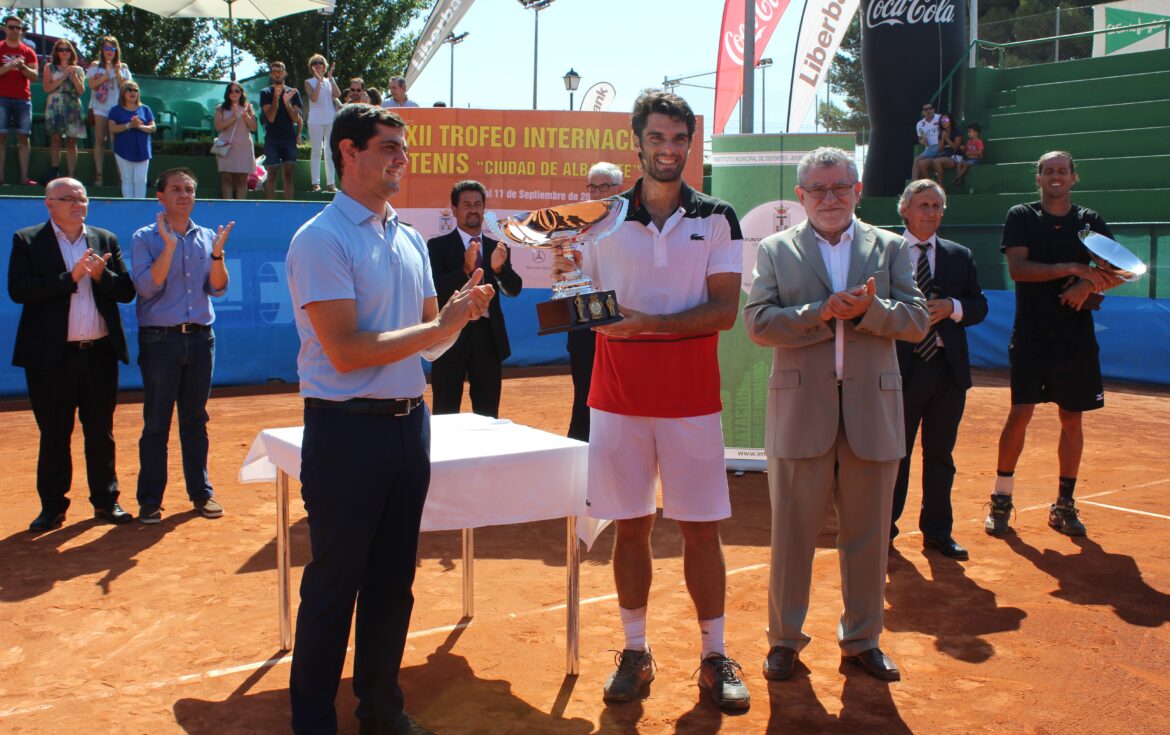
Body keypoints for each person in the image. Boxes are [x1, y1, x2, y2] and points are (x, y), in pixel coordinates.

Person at [285, 103, 494, 735]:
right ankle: (314, 724)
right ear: (346, 153)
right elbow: (346, 352)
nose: (402, 158)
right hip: (345, 432)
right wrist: (440, 324)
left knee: (392, 585)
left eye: (404, 148)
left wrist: (453, 318)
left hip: (409, 427)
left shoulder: (406, 237)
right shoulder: (320, 239)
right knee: (333, 588)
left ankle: (382, 712)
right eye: (387, 147)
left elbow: (428, 345)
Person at [553, 91, 751, 711]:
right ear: (636, 141)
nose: (669, 149)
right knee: (631, 528)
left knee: (700, 529)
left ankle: (714, 657)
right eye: (658, 137)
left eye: (680, 139)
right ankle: (635, 652)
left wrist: (645, 326)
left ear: (690, 145)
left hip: (692, 401)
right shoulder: (597, 215)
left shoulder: (719, 216)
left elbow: (723, 312)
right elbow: (569, 303)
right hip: (616, 399)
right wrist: (569, 278)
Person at [743, 146, 929, 684]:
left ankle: (863, 639)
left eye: (840, 187)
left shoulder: (891, 247)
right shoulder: (776, 250)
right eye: (818, 189)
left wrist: (870, 311)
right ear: (800, 196)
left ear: (857, 190)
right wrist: (820, 312)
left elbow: (917, 320)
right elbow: (757, 324)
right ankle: (784, 641)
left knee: (870, 537)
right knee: (791, 536)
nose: (830, 198)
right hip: (801, 411)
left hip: (874, 410)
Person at [985, 151, 1125, 538]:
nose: (1056, 176)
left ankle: (1064, 505)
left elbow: (1121, 270)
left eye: (1062, 171)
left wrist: (1087, 284)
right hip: (1031, 334)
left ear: (1073, 177)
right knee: (1021, 413)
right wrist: (1072, 268)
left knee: (1072, 418)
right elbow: (1018, 270)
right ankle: (1001, 499)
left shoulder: (1090, 220)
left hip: (1075, 338)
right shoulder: (1021, 216)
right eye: (1049, 171)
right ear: (1039, 178)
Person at [8, 178, 136, 532]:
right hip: (50, 359)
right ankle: (52, 507)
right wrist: (71, 276)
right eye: (68, 198)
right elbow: (19, 290)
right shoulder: (28, 240)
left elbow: (125, 291)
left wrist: (99, 276)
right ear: (49, 204)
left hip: (98, 355)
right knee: (54, 434)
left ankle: (106, 502)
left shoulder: (104, 238)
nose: (78, 203)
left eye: (82, 198)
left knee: (100, 432)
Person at [890, 179, 988, 561]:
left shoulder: (959, 255)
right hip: (898, 369)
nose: (931, 212)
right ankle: (885, 532)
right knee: (894, 455)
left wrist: (952, 307)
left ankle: (937, 533)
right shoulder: (885, 251)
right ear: (905, 210)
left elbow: (979, 305)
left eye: (937, 206)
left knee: (941, 455)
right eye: (923, 205)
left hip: (947, 371)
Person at [130, 168, 233, 525]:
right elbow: (146, 287)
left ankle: (201, 494)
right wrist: (170, 245)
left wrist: (217, 257)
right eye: (176, 188)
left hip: (201, 339)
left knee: (195, 420)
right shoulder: (144, 238)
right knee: (156, 423)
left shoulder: (207, 237)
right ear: (160, 196)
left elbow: (218, 289)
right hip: (160, 342)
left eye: (189, 188)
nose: (184, 194)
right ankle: (150, 500)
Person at [427, 180, 522, 418]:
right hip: (449, 336)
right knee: (445, 411)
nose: (473, 209)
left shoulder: (496, 247)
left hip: (488, 338)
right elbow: (434, 290)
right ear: (454, 209)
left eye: (478, 204)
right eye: (467, 204)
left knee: (488, 413)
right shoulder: (436, 246)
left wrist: (500, 270)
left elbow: (514, 289)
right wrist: (465, 269)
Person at [565, 161, 623, 442]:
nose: (597, 192)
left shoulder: (630, 224)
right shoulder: (574, 225)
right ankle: (580, 448)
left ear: (618, 190)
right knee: (585, 389)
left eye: (604, 187)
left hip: (621, 314)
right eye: (592, 187)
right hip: (583, 314)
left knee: (619, 388)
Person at [86, 35, 131, 188]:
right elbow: (91, 84)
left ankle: (121, 176)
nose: (109, 51)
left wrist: (117, 74)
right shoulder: (95, 65)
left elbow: (127, 87)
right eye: (106, 48)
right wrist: (105, 74)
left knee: (117, 141)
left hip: (117, 108)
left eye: (112, 48)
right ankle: (99, 175)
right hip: (100, 106)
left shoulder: (123, 67)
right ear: (102, 50)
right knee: (100, 139)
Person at [0, 15, 39, 186]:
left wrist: (22, 67)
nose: (15, 30)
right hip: (1, 98)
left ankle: (24, 177)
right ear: (5, 28)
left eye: (18, 28)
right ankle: (0, 177)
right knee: (1, 137)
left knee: (24, 137)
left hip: (23, 99)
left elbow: (35, 76)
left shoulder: (28, 52)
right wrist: (9, 66)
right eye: (12, 27)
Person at [42, 39, 85, 181]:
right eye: (61, 49)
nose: (64, 52)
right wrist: (63, 76)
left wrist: (74, 77)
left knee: (72, 140)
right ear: (56, 52)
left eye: (67, 49)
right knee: (55, 138)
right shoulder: (50, 67)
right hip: (55, 103)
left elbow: (81, 91)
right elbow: (47, 88)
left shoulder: (78, 69)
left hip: (72, 104)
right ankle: (55, 170)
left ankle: (71, 174)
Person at [260, 61, 302, 200]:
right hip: (272, 138)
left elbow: (296, 118)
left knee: (288, 174)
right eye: (274, 72)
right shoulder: (265, 93)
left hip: (289, 137)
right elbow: (270, 117)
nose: (277, 74)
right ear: (271, 75)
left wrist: (286, 101)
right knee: (271, 174)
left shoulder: (293, 93)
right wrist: (276, 99)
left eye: (280, 71)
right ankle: (269, 208)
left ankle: (288, 206)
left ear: (284, 73)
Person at [107, 82, 155, 199]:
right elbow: (112, 127)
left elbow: (153, 127)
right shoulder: (115, 110)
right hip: (123, 149)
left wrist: (140, 127)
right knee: (127, 180)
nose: (133, 92)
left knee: (140, 180)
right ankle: (128, 205)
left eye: (135, 90)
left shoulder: (145, 109)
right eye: (129, 90)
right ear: (123, 93)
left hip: (142, 149)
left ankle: (139, 205)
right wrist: (129, 125)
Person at [213, 81, 258, 200]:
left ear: (241, 93)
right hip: (226, 145)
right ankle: (228, 205)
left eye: (237, 91)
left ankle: (240, 206)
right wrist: (234, 117)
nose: (234, 93)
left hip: (244, 147)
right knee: (226, 177)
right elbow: (218, 126)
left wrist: (245, 115)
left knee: (242, 178)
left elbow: (253, 127)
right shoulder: (221, 108)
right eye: (231, 91)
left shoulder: (248, 107)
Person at [303, 54, 339, 193]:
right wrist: (318, 82)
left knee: (330, 151)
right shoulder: (309, 82)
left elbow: (337, 94)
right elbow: (314, 97)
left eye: (321, 63)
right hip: (315, 120)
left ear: (325, 67)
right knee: (317, 150)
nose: (318, 65)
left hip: (330, 118)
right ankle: (315, 183)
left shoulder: (329, 81)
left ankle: (331, 184)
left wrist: (331, 79)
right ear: (312, 67)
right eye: (315, 63)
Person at [928, 116, 963, 184]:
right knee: (922, 164)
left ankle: (940, 185)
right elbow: (939, 150)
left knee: (936, 161)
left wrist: (947, 138)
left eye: (946, 119)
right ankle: (930, 186)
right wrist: (943, 139)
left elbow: (956, 148)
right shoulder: (941, 133)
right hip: (945, 155)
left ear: (950, 120)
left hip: (956, 156)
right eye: (942, 121)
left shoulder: (957, 131)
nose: (944, 122)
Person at [910, 102, 940, 180]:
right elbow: (921, 138)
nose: (928, 110)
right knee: (920, 163)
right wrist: (923, 141)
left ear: (934, 109)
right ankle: (926, 185)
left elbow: (949, 122)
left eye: (930, 108)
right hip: (929, 149)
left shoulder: (940, 117)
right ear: (923, 112)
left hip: (941, 145)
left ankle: (913, 185)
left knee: (917, 159)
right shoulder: (920, 124)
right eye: (925, 109)